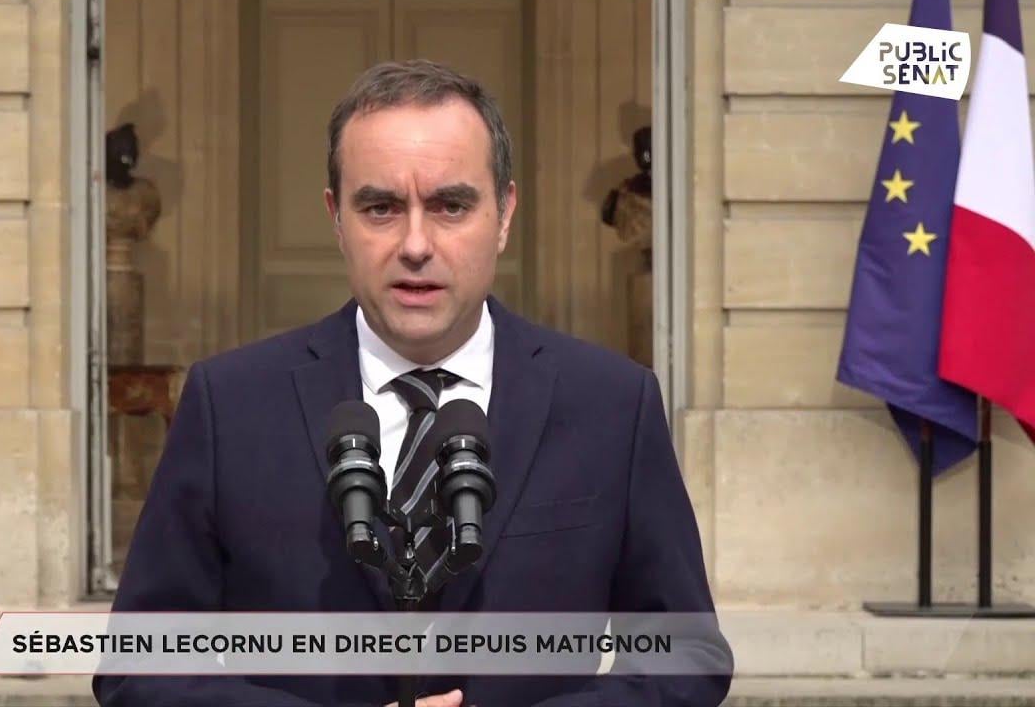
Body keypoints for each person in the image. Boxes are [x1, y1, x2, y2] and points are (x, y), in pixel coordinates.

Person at [93, 59, 732, 707]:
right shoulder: (230, 405)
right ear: (336, 218)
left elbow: (686, 655)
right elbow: (138, 667)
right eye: (381, 208)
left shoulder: (612, 405)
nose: (416, 245)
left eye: (451, 205)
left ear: (504, 214)